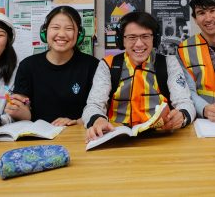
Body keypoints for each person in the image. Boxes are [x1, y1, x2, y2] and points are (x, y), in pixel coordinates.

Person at [83, 11, 195, 142]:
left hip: (160, 138)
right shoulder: (108, 65)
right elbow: (93, 105)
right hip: (117, 137)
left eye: (145, 36)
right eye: (132, 37)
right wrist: (98, 120)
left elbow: (185, 102)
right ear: (122, 40)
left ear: (155, 39)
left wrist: (182, 116)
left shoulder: (169, 63)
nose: (139, 44)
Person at [7, 6, 99, 126]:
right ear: (44, 32)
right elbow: (24, 109)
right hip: (37, 134)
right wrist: (17, 109)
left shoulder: (92, 66)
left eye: (69, 29)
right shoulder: (28, 66)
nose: (61, 34)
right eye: (55, 27)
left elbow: (98, 108)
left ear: (79, 34)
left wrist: (77, 123)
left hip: (77, 133)